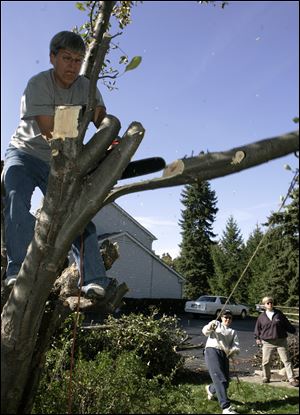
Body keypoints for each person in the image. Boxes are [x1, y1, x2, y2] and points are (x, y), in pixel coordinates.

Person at [2, 31, 114, 300]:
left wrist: (111, 138)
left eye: (78, 60)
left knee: (77, 212)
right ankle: (17, 270)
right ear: (52, 57)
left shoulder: (87, 86)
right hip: (26, 153)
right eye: (66, 58)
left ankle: (94, 279)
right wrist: (79, 160)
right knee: (16, 197)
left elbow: (102, 119)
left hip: (66, 157)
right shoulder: (38, 84)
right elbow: (49, 131)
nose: (72, 66)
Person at [254, 296, 299, 387]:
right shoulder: (261, 317)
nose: (270, 304)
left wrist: (294, 331)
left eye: (271, 302)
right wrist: (257, 338)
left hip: (281, 341)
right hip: (267, 342)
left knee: (286, 360)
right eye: (268, 303)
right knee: (265, 362)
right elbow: (257, 329)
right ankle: (266, 377)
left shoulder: (279, 314)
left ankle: (291, 379)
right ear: (264, 305)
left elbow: (287, 324)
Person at [202, 309, 240, 415]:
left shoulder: (233, 332)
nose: (227, 319)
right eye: (225, 317)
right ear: (221, 317)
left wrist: (232, 354)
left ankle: (210, 389)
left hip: (224, 354)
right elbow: (205, 332)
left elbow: (235, 346)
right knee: (220, 378)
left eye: (229, 317)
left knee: (226, 382)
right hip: (212, 351)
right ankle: (226, 407)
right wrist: (210, 325)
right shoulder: (216, 324)